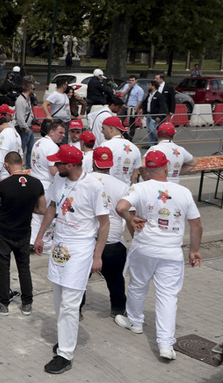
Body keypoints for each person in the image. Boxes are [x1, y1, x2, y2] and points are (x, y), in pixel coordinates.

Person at [114, 150, 202, 361]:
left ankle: (135, 321)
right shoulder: (183, 191)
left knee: (137, 285)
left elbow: (120, 207)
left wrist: (130, 218)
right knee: (167, 296)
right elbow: (196, 225)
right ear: (167, 168)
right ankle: (165, 344)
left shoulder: (140, 188)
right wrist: (194, 250)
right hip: (171, 250)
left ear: (146, 169)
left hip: (144, 247)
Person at [33, 145, 109, 375]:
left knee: (70, 302)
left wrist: (97, 255)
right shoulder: (59, 180)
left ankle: (65, 354)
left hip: (81, 247)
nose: (54, 167)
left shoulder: (94, 186)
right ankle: (65, 338)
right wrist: (39, 236)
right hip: (59, 244)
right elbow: (52, 208)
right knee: (58, 299)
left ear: (70, 165)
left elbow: (104, 223)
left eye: (58, 163)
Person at [0, 151, 45, 317]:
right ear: (22, 162)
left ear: (7, 164)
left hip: (4, 232)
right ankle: (27, 303)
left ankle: (2, 302)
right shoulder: (36, 183)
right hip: (24, 231)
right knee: (24, 267)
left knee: (3, 268)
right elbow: (42, 208)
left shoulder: (2, 185)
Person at [87, 146, 131, 318]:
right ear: (111, 164)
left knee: (81, 280)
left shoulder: (84, 181)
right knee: (115, 280)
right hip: (113, 240)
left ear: (93, 162)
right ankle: (118, 310)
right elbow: (130, 218)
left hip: (88, 239)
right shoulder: (122, 186)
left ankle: (77, 310)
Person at [29, 120, 64, 247]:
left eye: (64, 133)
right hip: (46, 185)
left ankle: (32, 240)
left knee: (35, 213)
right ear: (52, 132)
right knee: (47, 214)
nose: (63, 135)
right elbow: (53, 170)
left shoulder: (38, 142)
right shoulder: (52, 147)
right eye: (60, 132)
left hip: (34, 181)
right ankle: (45, 242)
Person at [0, 111, 23, 188]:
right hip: (14, 173)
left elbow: (0, 160)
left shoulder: (3, 135)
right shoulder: (15, 133)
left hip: (3, 176)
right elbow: (21, 154)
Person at [101, 116, 141, 184]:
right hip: (126, 190)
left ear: (111, 128)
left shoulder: (105, 146)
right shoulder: (135, 148)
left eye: (103, 128)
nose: (101, 131)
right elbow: (134, 177)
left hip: (108, 189)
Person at [15, 80, 36, 168]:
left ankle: (29, 166)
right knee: (22, 149)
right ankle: (18, 166)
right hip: (25, 128)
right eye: (33, 88)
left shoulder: (27, 99)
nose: (34, 90)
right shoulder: (20, 101)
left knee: (31, 148)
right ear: (29, 89)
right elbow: (20, 116)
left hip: (29, 126)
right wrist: (25, 126)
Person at [118, 76, 145, 140]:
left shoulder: (139, 89)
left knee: (131, 123)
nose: (131, 82)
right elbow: (122, 94)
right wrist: (129, 88)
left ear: (136, 81)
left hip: (132, 107)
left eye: (132, 80)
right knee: (119, 120)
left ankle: (130, 137)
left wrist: (136, 108)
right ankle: (124, 134)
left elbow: (139, 101)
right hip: (125, 106)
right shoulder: (127, 86)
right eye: (130, 80)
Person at [143, 80, 167, 145]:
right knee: (149, 130)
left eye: (149, 85)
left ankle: (160, 139)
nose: (148, 87)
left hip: (154, 115)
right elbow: (146, 103)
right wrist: (143, 110)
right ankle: (151, 144)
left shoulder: (159, 95)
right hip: (148, 114)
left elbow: (162, 106)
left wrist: (159, 116)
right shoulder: (149, 94)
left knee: (152, 128)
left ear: (153, 86)